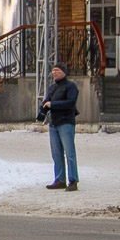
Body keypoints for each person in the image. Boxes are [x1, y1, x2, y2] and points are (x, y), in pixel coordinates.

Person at [39, 62, 80, 190]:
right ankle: (60, 179)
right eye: (53, 70)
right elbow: (46, 102)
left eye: (57, 70)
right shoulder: (52, 88)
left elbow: (71, 103)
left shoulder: (70, 86)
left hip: (66, 122)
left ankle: (73, 180)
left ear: (63, 72)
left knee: (69, 153)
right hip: (54, 123)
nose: (54, 72)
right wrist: (43, 110)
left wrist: (53, 105)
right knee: (56, 153)